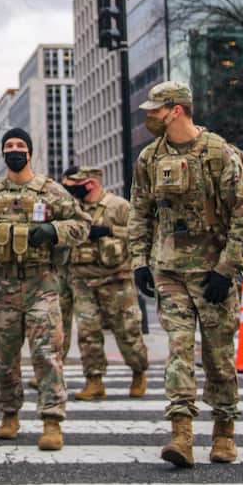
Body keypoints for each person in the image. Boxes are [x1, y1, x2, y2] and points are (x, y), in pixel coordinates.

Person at [128, 80, 243, 468]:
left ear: (177, 110)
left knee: (218, 355)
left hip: (214, 271)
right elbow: (140, 212)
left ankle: (224, 432)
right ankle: (181, 435)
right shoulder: (149, 158)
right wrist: (139, 262)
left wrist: (228, 268)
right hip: (170, 271)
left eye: (156, 109)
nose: (150, 116)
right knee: (179, 351)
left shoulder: (219, 153)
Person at [0, 128, 88, 451]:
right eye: (9, 146)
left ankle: (51, 421)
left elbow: (82, 225)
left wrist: (54, 230)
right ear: (3, 154)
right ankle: (9, 415)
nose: (15, 150)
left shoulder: (50, 191)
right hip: (4, 285)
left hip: (42, 283)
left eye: (20, 145)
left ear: (30, 152)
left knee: (47, 353)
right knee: (4, 357)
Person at [59, 166, 148, 400]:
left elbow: (140, 234)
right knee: (88, 333)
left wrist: (109, 230)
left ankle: (139, 371)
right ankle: (94, 380)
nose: (70, 189)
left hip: (116, 280)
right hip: (82, 280)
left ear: (90, 184)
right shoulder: (73, 209)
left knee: (127, 331)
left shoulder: (118, 206)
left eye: (73, 184)